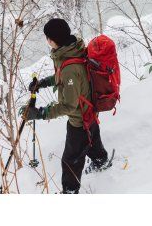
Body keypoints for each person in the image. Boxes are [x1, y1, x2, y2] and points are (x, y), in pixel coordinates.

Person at [22, 18, 110, 194]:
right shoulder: (72, 49)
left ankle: (69, 192)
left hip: (79, 119)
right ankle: (101, 160)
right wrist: (43, 83)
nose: (47, 41)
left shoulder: (69, 64)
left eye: (47, 37)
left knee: (70, 160)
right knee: (91, 135)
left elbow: (69, 105)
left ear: (53, 40)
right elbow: (67, 77)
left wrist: (40, 113)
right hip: (89, 110)